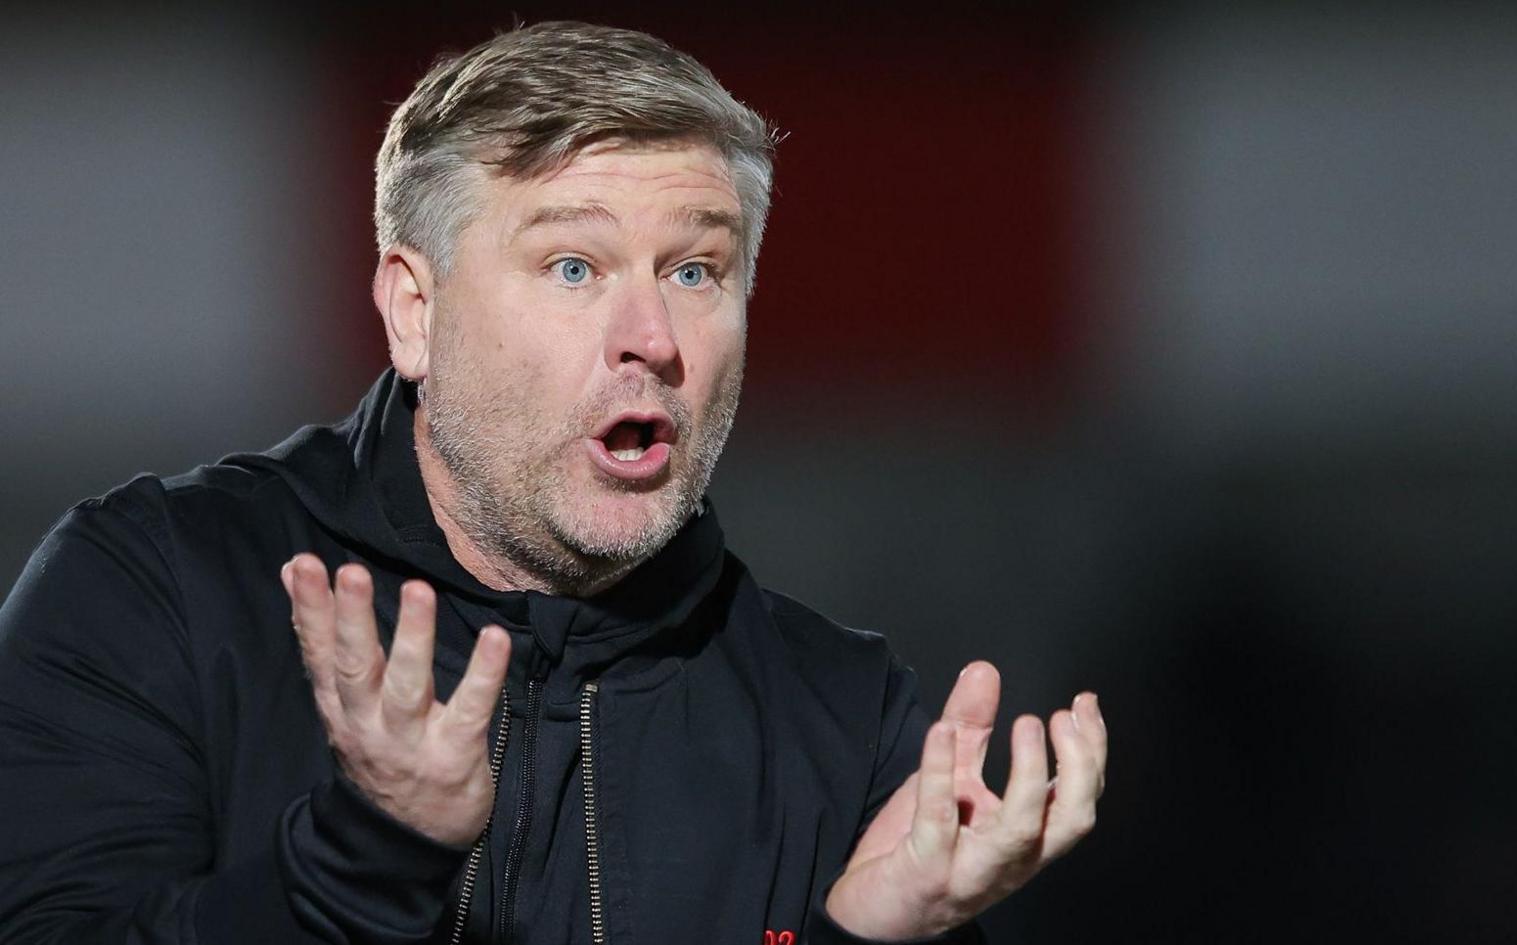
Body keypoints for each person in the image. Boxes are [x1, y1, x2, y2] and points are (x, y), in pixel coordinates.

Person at [0, 21, 1105, 944]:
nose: (653, 338)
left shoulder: (847, 727)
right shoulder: (156, 595)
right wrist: (365, 856)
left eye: (695, 270)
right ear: (413, 311)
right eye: (574, 267)